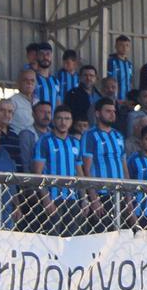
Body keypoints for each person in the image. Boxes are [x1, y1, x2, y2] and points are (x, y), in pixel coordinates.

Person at [33, 105, 84, 235]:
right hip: (52, 198)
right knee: (51, 239)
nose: (63, 122)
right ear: (54, 120)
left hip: (72, 198)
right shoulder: (44, 141)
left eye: (67, 119)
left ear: (71, 122)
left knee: (72, 240)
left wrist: (84, 198)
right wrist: (46, 199)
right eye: (60, 118)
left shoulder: (75, 142)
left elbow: (79, 172)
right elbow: (37, 173)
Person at [81, 98, 128, 232]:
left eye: (113, 111)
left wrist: (128, 195)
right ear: (97, 113)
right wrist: (94, 199)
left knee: (120, 236)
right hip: (101, 194)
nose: (112, 114)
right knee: (101, 235)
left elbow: (124, 165)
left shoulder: (118, 136)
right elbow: (86, 169)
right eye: (108, 111)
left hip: (119, 194)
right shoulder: (90, 135)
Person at [107, 35, 134, 102]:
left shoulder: (129, 64)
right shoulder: (110, 62)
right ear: (116, 46)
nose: (124, 48)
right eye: (121, 45)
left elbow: (130, 81)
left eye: (127, 45)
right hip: (114, 99)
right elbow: (107, 79)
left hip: (127, 100)